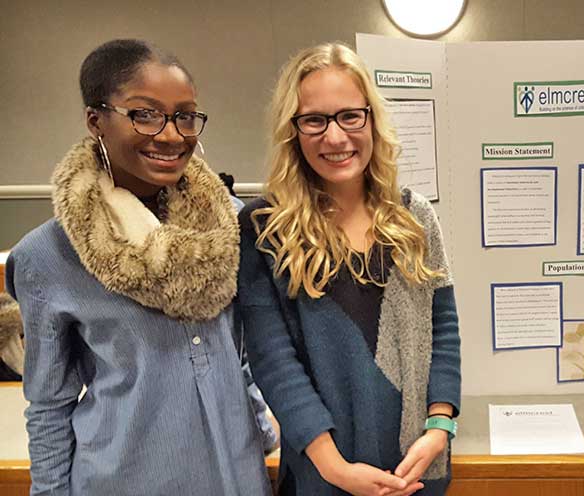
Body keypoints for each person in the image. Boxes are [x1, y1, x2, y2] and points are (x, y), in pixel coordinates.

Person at [6, 39, 274, 496]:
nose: (171, 135)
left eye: (185, 115)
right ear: (96, 120)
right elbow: (49, 404)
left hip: (237, 475)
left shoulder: (230, 227)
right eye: (144, 114)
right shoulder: (46, 256)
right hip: (124, 479)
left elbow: (240, 351)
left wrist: (261, 423)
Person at [238, 42, 461, 496]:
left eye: (349, 116)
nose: (335, 137)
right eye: (314, 120)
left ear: (371, 120)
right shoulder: (265, 228)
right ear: (293, 131)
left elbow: (444, 328)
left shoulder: (415, 217)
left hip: (415, 472)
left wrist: (440, 427)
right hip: (325, 477)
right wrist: (335, 469)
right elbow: (273, 361)